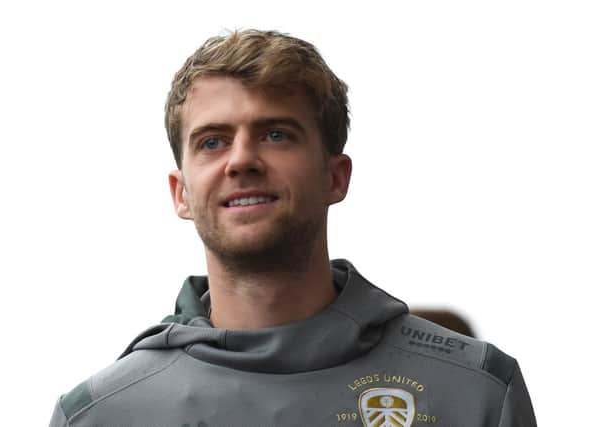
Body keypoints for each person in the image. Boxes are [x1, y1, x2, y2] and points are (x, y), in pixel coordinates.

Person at [49, 29, 536, 427]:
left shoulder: (475, 392)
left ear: (335, 176)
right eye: (213, 141)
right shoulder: (101, 416)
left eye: (276, 134)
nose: (241, 160)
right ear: (181, 193)